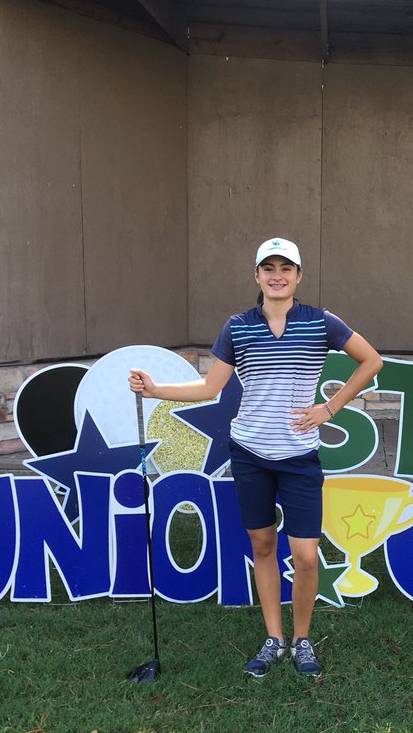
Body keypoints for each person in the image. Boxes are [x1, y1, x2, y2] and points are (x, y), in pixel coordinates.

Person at [129, 238, 383, 678]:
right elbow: (210, 388)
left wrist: (329, 408)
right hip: (250, 454)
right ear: (257, 276)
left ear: (299, 276)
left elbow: (371, 361)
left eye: (286, 267)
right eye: (269, 268)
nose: (277, 275)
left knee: (305, 555)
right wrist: (155, 391)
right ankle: (274, 638)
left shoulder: (321, 322)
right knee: (263, 547)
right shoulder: (238, 326)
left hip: (300, 457)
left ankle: (302, 639)